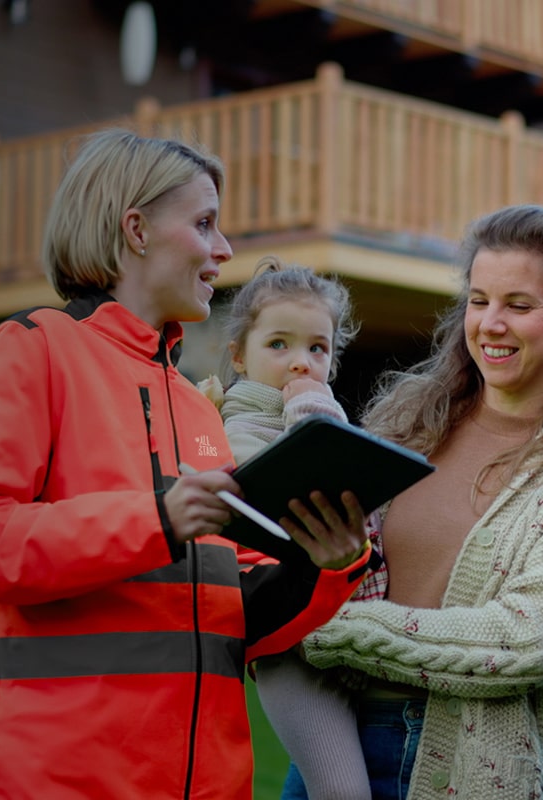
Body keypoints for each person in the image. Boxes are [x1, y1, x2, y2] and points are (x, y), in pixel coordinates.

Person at [0, 129, 375, 799]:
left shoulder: (197, 407)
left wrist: (325, 566)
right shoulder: (32, 348)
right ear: (135, 229)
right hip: (50, 783)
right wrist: (156, 521)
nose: (224, 250)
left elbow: (238, 621)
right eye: (204, 224)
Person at [287, 204, 543, 799]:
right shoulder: (409, 421)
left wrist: (321, 628)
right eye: (479, 301)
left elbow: (524, 641)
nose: (491, 324)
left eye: (519, 306)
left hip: (468, 764)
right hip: (328, 737)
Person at [201, 255, 380, 800]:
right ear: (239, 355)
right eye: (279, 344)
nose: (301, 363)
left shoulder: (308, 412)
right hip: (292, 650)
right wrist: (311, 409)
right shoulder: (236, 427)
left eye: (317, 349)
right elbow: (313, 484)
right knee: (343, 792)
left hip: (350, 632)